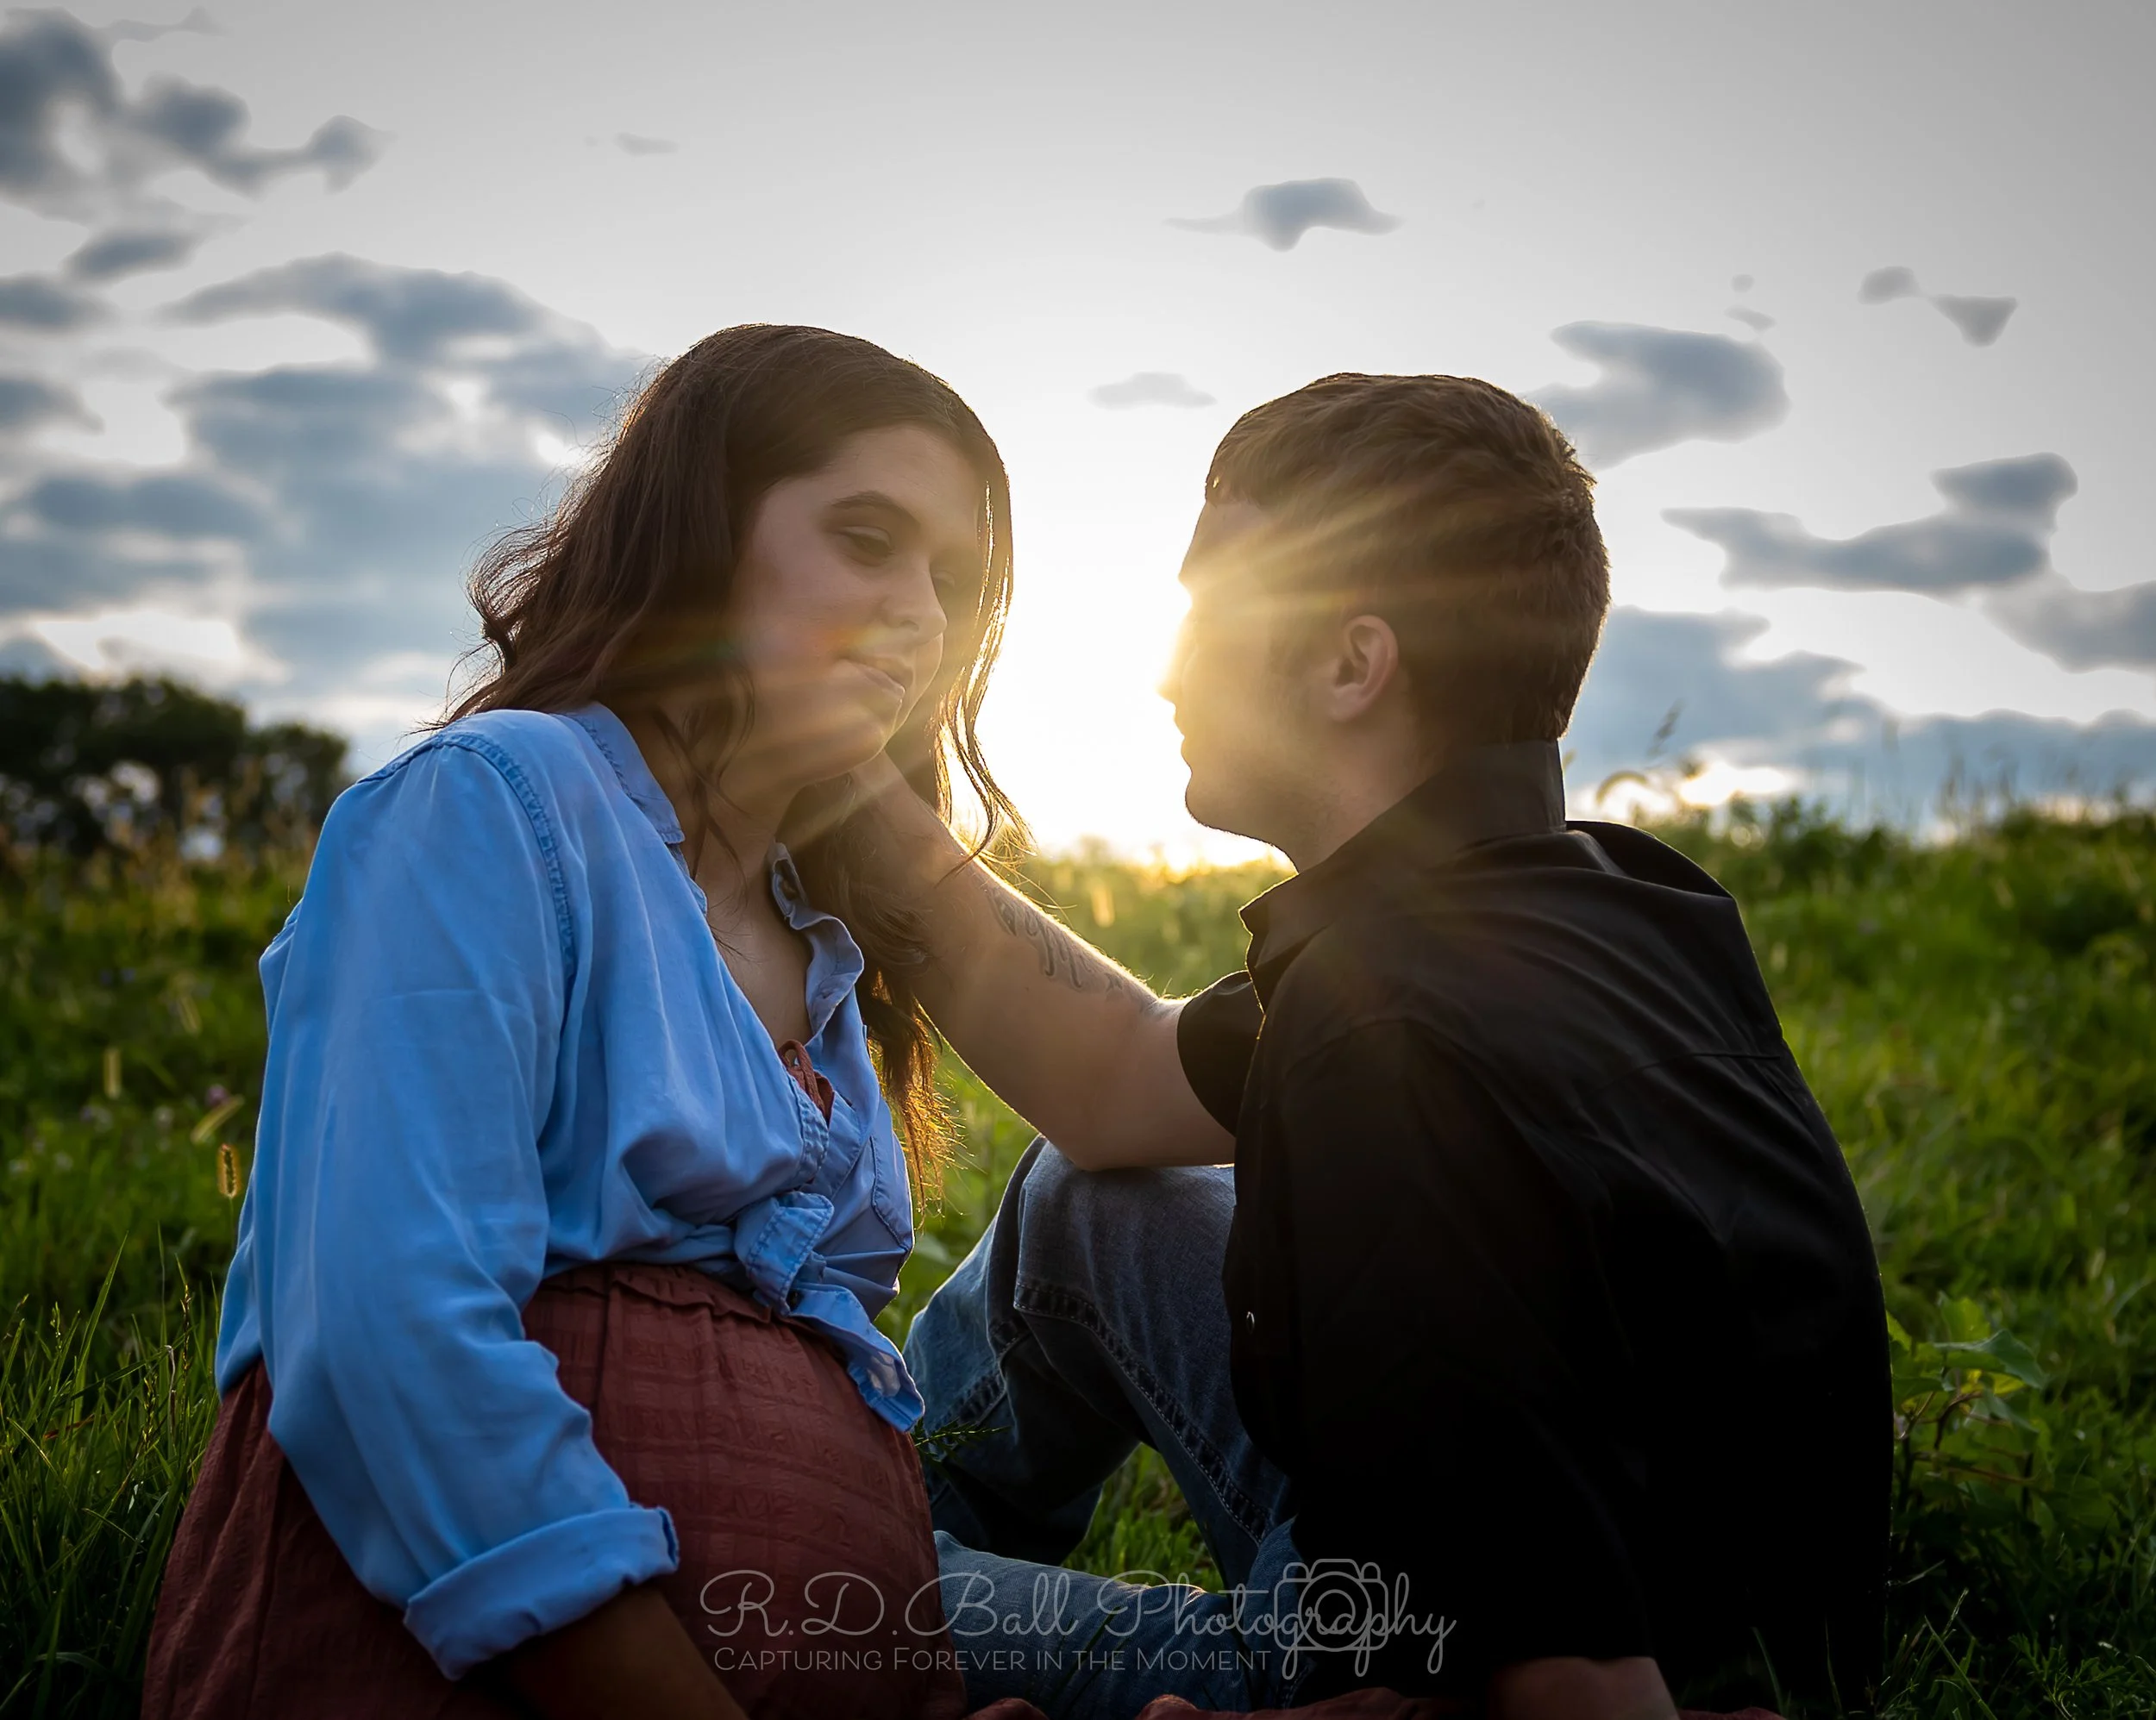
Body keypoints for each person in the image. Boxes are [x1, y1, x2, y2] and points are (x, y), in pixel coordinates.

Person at [852, 374, 1892, 1717]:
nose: (1166, 667)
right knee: (1083, 1201)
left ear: (1353, 663)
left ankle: (851, 1559)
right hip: (1689, 1610)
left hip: (1491, 1666)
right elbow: (1113, 1079)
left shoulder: (1385, 1046)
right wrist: (850, 783)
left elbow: (1584, 1684)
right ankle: (882, 1501)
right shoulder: (1608, 899)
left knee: (762, 1590)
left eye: (1206, 612)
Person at [143, 325, 1033, 1720]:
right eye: (868, 537)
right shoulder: (489, 802)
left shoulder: (822, 942)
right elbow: (390, 1324)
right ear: (701, 531)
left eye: (955, 579)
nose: (923, 612)